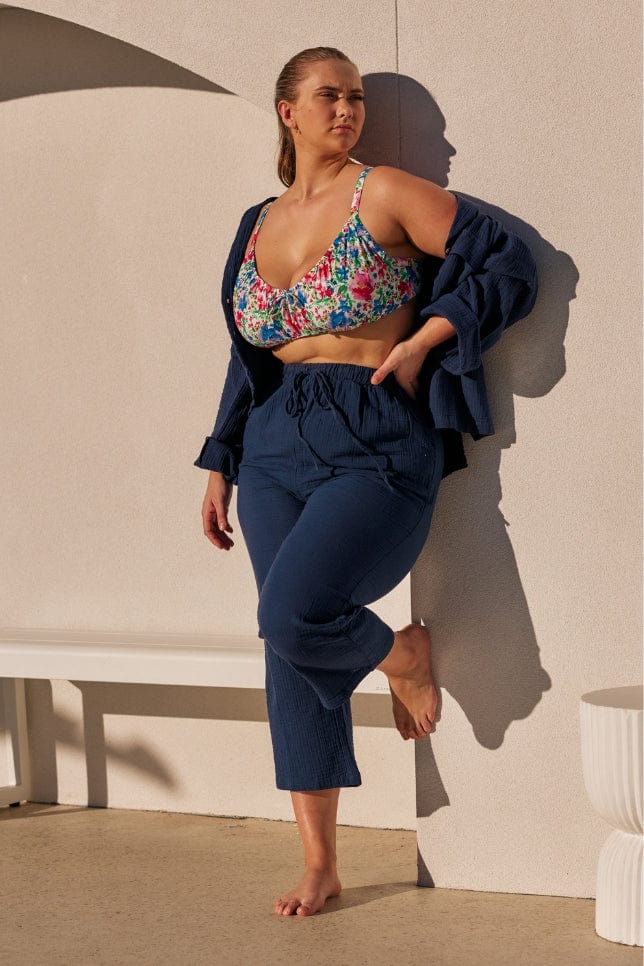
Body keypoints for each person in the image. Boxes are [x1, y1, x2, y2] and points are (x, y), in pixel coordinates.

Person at [194, 46, 538, 917]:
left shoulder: (380, 191)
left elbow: (504, 257)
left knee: (291, 614)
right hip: (274, 444)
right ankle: (320, 862)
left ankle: (401, 654)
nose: (345, 109)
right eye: (327, 96)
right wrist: (221, 458)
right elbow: (251, 361)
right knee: (289, 652)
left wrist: (427, 337)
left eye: (354, 97)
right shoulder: (257, 222)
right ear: (287, 112)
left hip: (372, 430)